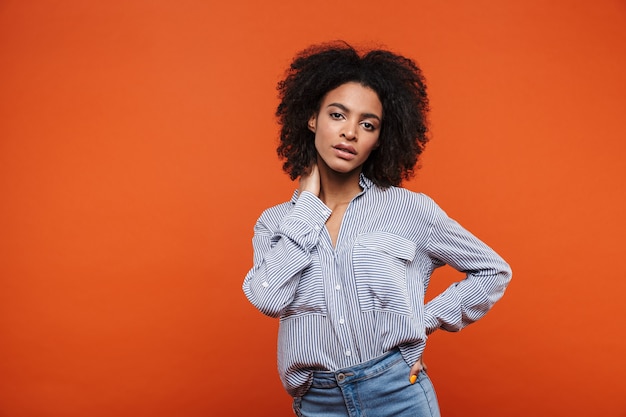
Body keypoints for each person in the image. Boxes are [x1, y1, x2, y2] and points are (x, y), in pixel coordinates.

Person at [242, 41, 512, 417]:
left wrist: (423, 319)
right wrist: (307, 207)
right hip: (319, 402)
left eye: (367, 124)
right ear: (311, 119)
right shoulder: (275, 223)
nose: (350, 132)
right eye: (338, 115)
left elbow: (493, 270)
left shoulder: (409, 209)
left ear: (380, 139)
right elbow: (266, 298)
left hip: (398, 392)